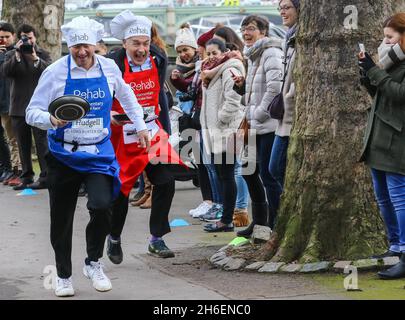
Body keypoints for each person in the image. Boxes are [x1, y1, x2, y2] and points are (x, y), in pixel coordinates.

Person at [25, 16, 149, 297]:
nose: (81, 53)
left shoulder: (108, 67)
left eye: (87, 47)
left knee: (104, 205)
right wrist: (51, 119)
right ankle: (64, 276)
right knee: (62, 218)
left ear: (96, 46)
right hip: (63, 154)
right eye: (76, 47)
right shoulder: (55, 72)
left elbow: (127, 96)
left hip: (98, 151)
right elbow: (33, 111)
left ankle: (93, 262)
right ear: (69, 47)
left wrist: (140, 125)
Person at [107, 10, 181, 263]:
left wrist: (166, 129)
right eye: (136, 44)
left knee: (166, 180)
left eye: (145, 43)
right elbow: (102, 96)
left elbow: (160, 93)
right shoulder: (112, 62)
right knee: (121, 190)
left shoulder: (158, 58)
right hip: (121, 134)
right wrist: (109, 116)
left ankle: (157, 238)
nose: (141, 49)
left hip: (151, 129)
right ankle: (114, 237)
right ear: (124, 44)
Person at [358, 13, 405, 279]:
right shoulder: (391, 60)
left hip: (397, 140)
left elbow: (399, 94)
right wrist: (367, 74)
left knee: (399, 199)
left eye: (390, 37)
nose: (385, 42)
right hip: (378, 138)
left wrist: (375, 71)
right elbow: (380, 94)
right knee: (383, 197)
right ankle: (395, 245)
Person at [232, 15, 284, 237]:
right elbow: (257, 91)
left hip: (267, 124)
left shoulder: (271, 52)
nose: (246, 33)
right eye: (243, 29)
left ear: (263, 31)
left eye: (251, 29)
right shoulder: (253, 55)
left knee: (268, 175)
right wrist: (242, 88)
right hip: (254, 123)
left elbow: (275, 87)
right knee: (248, 171)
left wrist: (259, 113)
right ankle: (260, 221)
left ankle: (274, 222)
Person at [200, 38, 246, 232]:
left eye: (215, 53)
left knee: (227, 175)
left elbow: (234, 96)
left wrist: (222, 118)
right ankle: (225, 218)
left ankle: (227, 220)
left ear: (224, 52)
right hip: (216, 131)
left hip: (228, 130)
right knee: (222, 174)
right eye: (208, 53)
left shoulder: (229, 69)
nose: (211, 57)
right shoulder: (209, 72)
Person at [1, 24, 52, 190]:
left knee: (42, 143)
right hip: (18, 107)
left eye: (30, 37)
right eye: (24, 38)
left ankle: (45, 177)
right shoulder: (11, 54)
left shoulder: (43, 54)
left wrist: (35, 58)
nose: (27, 41)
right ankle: (26, 177)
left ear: (35, 37)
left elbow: (50, 73)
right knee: (22, 144)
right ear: (18, 38)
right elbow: (6, 72)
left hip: (39, 107)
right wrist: (17, 54)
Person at [267, 0, 299, 226]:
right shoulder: (289, 38)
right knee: (275, 168)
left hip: (290, 116)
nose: (283, 12)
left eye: (287, 7)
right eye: (280, 8)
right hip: (283, 116)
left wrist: (289, 95)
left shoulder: (300, 40)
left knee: (276, 167)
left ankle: (287, 215)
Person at [0, 22, 19, 184]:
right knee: (6, 138)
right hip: (1, 101)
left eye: (7, 37)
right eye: (1, 38)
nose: (4, 40)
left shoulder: (16, 52)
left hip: (11, 102)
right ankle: (8, 169)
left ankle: (17, 171)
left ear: (13, 36)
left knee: (14, 138)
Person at [170, 24, 198, 115]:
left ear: (194, 48)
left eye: (185, 50)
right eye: (179, 51)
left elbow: (190, 88)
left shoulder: (200, 65)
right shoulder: (180, 67)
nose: (182, 54)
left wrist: (176, 80)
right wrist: (174, 79)